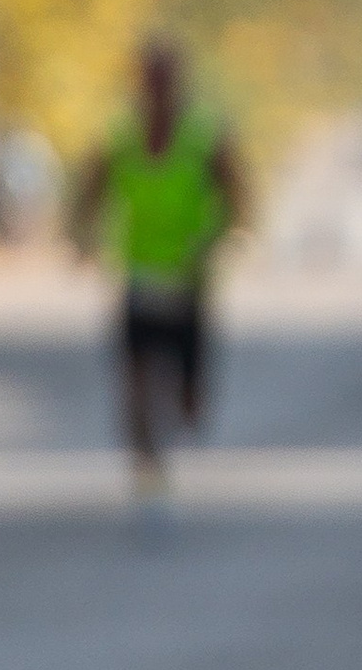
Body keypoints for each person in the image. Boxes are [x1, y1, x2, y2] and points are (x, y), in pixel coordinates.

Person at [73, 42, 247, 508]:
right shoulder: (123, 135)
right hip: (138, 276)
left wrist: (225, 235)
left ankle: (183, 407)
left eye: (164, 79)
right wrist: (82, 235)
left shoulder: (203, 135)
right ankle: (147, 470)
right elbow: (93, 184)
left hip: (188, 279)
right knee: (134, 380)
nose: (157, 89)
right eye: (149, 79)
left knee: (190, 403)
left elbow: (235, 191)